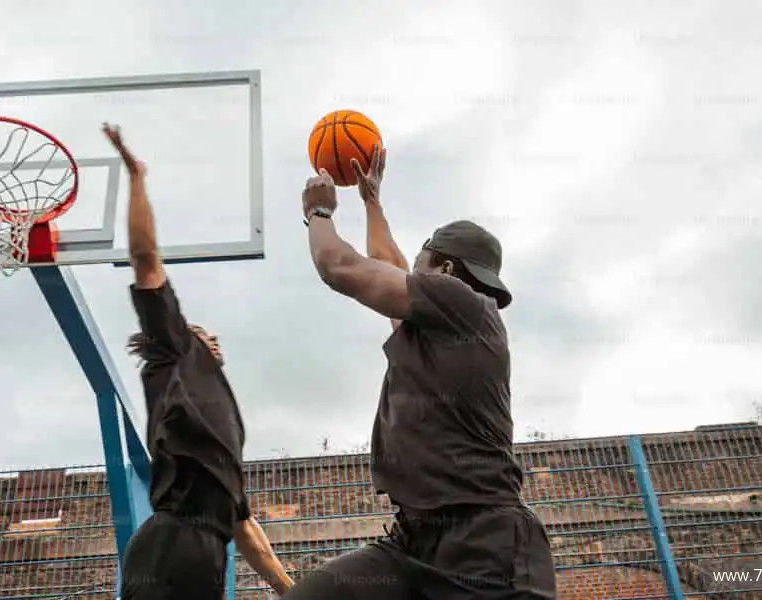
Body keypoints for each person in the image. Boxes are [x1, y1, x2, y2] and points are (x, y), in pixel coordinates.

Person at [287, 149, 557, 599]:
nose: (407, 273)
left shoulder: (460, 304)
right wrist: (372, 202)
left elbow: (341, 266)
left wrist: (319, 211)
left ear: (446, 271)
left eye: (420, 263)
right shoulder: (443, 324)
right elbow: (387, 262)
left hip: (486, 548)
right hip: (415, 541)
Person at [103, 123, 294, 600]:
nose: (214, 338)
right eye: (204, 332)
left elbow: (248, 533)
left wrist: (291, 590)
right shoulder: (174, 352)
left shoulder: (223, 424)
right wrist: (137, 175)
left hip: (206, 552)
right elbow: (146, 260)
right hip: (172, 545)